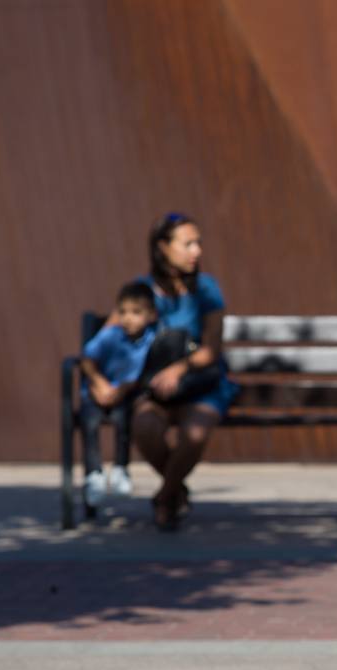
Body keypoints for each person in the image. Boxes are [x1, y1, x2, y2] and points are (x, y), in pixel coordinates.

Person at [130, 213, 241, 531]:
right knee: (145, 427)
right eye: (187, 243)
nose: (196, 251)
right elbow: (116, 334)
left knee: (194, 433)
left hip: (201, 382)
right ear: (163, 247)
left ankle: (165, 496)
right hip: (157, 388)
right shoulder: (143, 290)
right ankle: (176, 488)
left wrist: (178, 369)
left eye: (198, 243)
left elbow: (212, 347)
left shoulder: (206, 288)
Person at [79, 281, 157, 505]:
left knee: (124, 421)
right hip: (98, 394)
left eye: (136, 312)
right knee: (90, 421)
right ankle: (94, 474)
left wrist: (123, 389)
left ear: (151, 315)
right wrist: (98, 383)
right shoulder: (111, 335)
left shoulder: (153, 339)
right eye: (122, 312)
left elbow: (146, 374)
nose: (128, 318)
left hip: (126, 396)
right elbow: (87, 359)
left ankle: (121, 468)